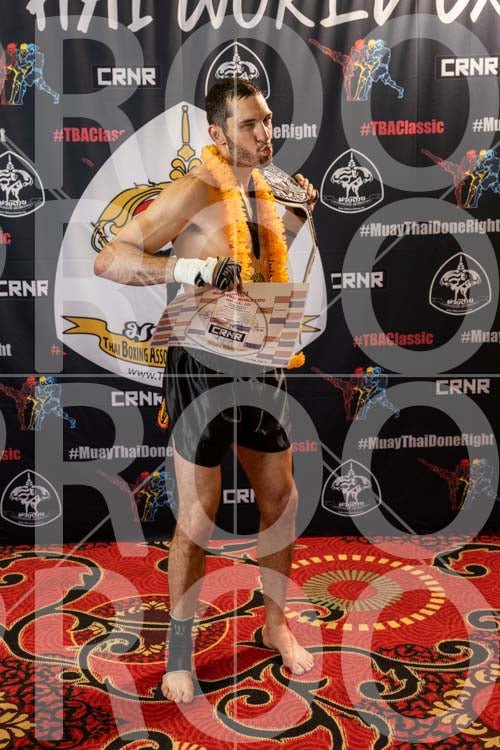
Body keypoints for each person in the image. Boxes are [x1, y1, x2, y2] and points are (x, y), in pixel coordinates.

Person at [94, 77, 318, 703]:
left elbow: (261, 269)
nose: (264, 133)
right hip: (202, 367)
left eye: (267, 120)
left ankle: (275, 624)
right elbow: (111, 257)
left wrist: (301, 217)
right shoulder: (196, 187)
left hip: (262, 361)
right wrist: (186, 267)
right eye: (249, 124)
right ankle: (179, 653)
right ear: (218, 133)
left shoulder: (269, 188)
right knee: (198, 518)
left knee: (281, 501)